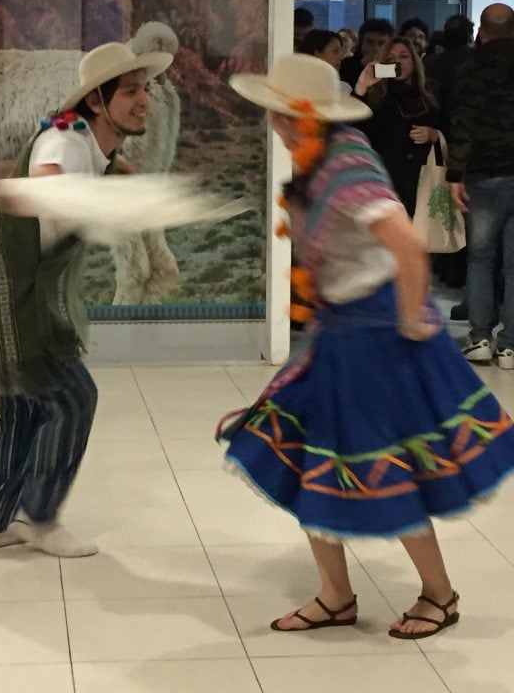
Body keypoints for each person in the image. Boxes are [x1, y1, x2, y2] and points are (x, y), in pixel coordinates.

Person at [219, 53, 514, 638]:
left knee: (385, 465)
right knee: (310, 458)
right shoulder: (315, 164)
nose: (273, 124)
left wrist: (409, 321)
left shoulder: (346, 166)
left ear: (302, 117)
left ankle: (439, 594)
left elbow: (406, 243)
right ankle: (335, 595)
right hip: (339, 332)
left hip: (376, 335)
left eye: (280, 114)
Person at [0, 40, 173, 558]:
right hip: (10, 294)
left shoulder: (94, 142)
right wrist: (34, 191)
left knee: (26, 409)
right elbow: (49, 178)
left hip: (20, 290)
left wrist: (127, 185)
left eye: (144, 88)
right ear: (97, 102)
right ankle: (40, 517)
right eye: (130, 91)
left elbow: (90, 173)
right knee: (73, 397)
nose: (144, 99)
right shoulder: (66, 139)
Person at [447, 3, 514, 368]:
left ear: (482, 32)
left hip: (484, 176)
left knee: (481, 259)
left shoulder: (471, 69)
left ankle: (480, 338)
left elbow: (464, 125)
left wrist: (455, 176)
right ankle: (511, 346)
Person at [353, 37, 441, 216]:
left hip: (424, 179)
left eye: (403, 57)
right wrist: (361, 87)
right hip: (387, 180)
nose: (397, 63)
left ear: (414, 61)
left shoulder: (432, 93)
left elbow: (449, 130)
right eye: (390, 60)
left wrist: (434, 135)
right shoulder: (376, 96)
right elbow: (354, 132)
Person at [340, 17, 394, 88]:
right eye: (370, 42)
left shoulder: (394, 67)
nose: (375, 48)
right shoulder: (345, 65)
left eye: (381, 43)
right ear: (361, 42)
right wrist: (360, 66)